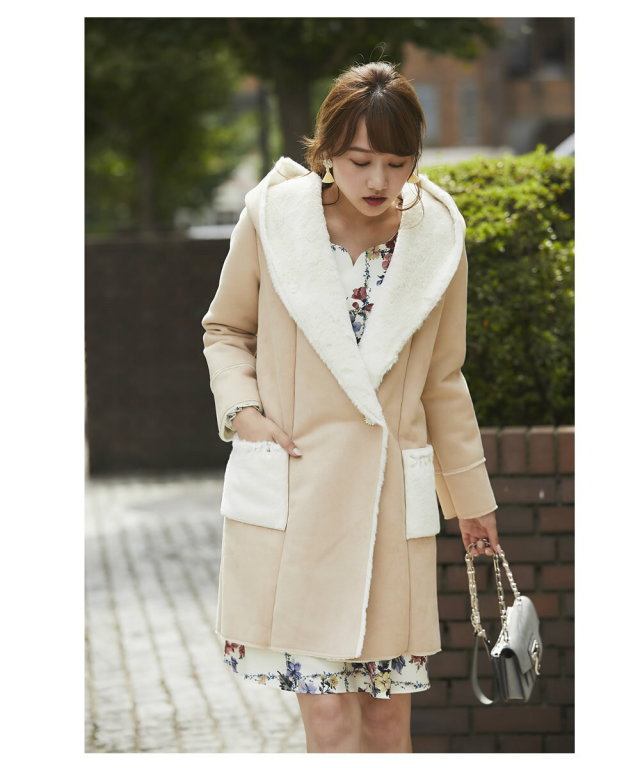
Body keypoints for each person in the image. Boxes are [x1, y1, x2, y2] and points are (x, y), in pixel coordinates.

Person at [201, 61, 501, 754]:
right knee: (331, 722)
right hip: (299, 492)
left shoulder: (436, 238)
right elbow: (226, 329)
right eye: (361, 161)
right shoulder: (274, 219)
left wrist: (471, 501)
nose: (378, 181)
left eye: (398, 163)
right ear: (328, 149)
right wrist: (244, 413)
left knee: (387, 720)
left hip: (389, 504)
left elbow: (443, 379)